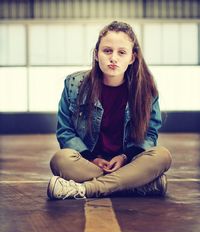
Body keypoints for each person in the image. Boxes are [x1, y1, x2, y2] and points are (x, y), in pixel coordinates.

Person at [47, 20, 172, 200]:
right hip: (89, 164)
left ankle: (84, 190)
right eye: (107, 51)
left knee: (162, 156)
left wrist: (124, 157)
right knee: (60, 159)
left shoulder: (146, 89)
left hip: (129, 163)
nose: (113, 58)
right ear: (97, 54)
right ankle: (135, 184)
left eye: (121, 52)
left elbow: (150, 134)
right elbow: (65, 132)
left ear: (132, 57)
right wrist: (92, 158)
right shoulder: (74, 85)